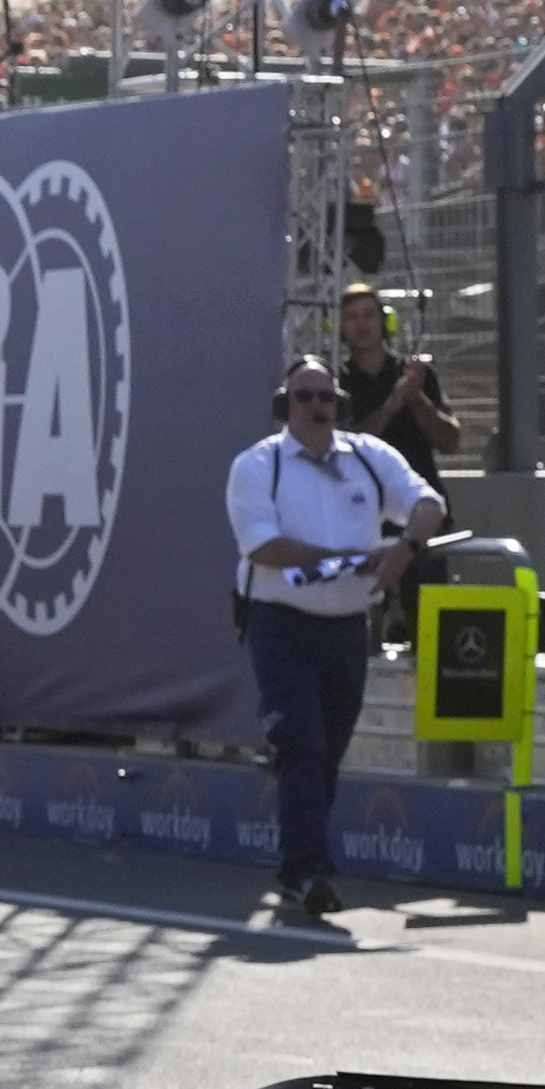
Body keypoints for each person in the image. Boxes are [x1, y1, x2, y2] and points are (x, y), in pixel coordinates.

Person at [226, 357, 443, 918]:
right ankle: (308, 871)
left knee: (328, 752)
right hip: (280, 621)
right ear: (285, 405)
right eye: (304, 397)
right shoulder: (258, 465)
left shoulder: (370, 459)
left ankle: (300, 858)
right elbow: (263, 548)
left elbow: (427, 504)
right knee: (300, 741)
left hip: (349, 625)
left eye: (325, 396)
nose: (316, 407)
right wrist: (346, 558)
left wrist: (404, 550)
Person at [338, 281, 459, 502]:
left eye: (369, 315)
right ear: (340, 327)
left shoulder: (417, 374)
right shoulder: (336, 382)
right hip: (364, 509)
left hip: (421, 504)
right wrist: (389, 408)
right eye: (352, 317)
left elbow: (450, 442)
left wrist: (417, 398)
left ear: (385, 321)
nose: (362, 324)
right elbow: (341, 451)